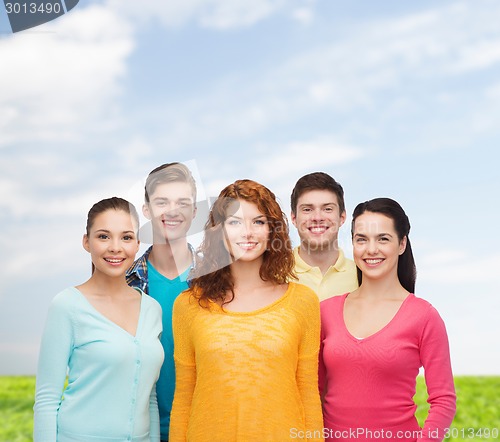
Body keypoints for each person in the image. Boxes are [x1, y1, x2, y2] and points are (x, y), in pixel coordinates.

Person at [169, 179, 324, 442]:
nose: (248, 232)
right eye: (235, 222)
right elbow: (184, 396)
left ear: (272, 231)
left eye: (259, 222)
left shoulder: (303, 302)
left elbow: (308, 394)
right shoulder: (188, 305)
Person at [319, 198, 456, 441]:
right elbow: (313, 391)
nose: (371, 249)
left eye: (383, 238)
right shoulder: (325, 312)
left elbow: (443, 401)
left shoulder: (424, 316)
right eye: (361, 239)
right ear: (352, 243)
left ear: (402, 244)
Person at [34, 197, 164, 442]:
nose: (115, 247)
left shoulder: (152, 310)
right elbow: (47, 400)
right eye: (103, 236)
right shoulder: (67, 306)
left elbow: (150, 397)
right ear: (87, 242)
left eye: (126, 237)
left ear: (137, 244)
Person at [126, 162, 197, 442]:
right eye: (161, 202)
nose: (172, 210)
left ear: (194, 211)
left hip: (203, 427)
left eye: (182, 202)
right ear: (146, 209)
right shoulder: (125, 282)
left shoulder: (219, 283)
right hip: (139, 431)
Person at [290, 172, 358, 301]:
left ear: (342, 217)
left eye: (327, 209)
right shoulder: (274, 275)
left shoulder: (362, 276)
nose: (317, 217)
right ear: (294, 218)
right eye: (307, 209)